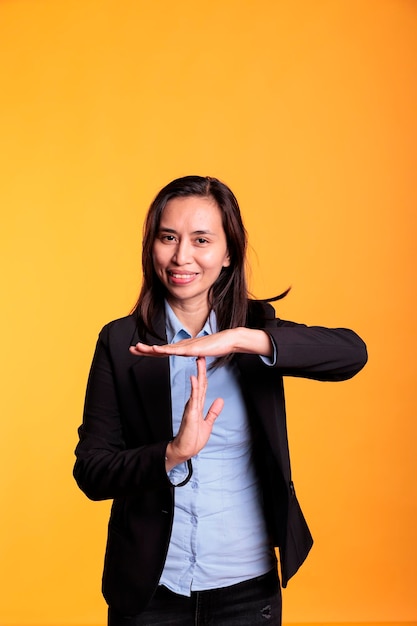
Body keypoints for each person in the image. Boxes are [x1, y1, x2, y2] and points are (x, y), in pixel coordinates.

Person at [73, 175, 367, 626]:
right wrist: (172, 454)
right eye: (168, 237)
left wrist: (239, 339)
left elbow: (351, 353)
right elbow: (91, 471)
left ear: (228, 253)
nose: (181, 256)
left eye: (201, 240)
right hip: (150, 588)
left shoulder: (256, 330)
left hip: (247, 588)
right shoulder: (120, 341)